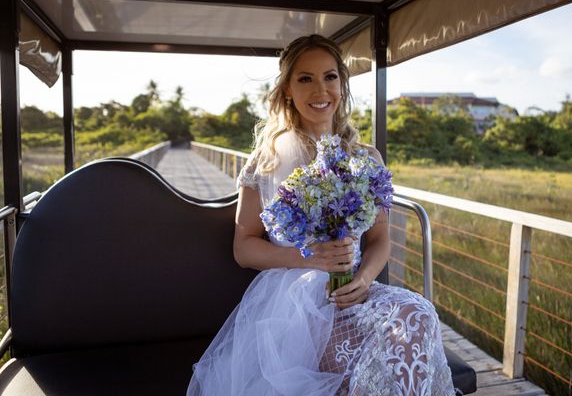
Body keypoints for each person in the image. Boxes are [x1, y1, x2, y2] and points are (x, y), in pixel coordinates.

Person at [188, 34, 456, 396]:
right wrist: (307, 257)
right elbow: (244, 248)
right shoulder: (264, 161)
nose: (320, 89)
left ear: (342, 85)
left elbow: (378, 239)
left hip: (354, 290)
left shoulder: (367, 158)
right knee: (356, 361)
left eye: (330, 77)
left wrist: (363, 278)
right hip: (293, 304)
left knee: (417, 313)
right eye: (305, 78)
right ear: (287, 89)